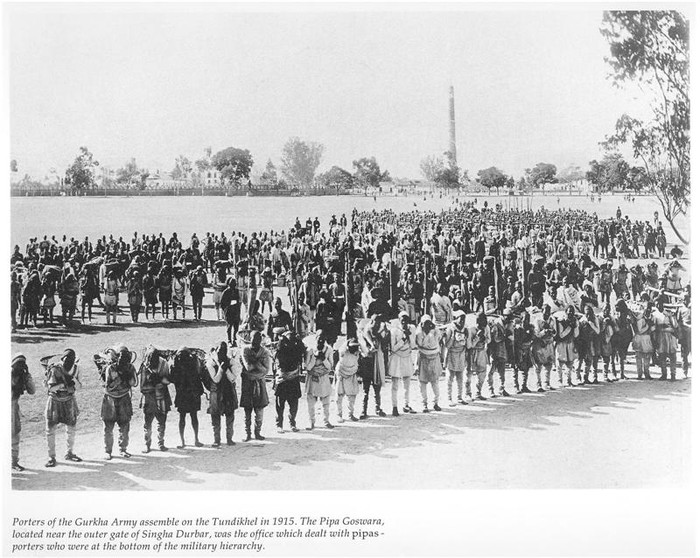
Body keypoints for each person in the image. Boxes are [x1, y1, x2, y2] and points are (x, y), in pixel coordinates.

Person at [44, 348, 82, 467]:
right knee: (50, 430)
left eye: (71, 360)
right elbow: (50, 388)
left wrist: (73, 380)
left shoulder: (76, 369)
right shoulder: (55, 369)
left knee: (71, 429)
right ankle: (51, 457)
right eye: (66, 359)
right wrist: (62, 384)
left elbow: (79, 387)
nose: (68, 362)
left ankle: (69, 453)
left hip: (69, 400)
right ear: (62, 359)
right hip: (55, 401)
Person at [100, 345, 137, 460]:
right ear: (116, 357)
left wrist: (128, 375)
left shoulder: (130, 368)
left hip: (124, 399)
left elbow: (134, 383)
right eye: (121, 357)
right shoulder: (110, 368)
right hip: (110, 399)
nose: (123, 360)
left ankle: (123, 449)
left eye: (125, 357)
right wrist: (119, 379)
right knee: (108, 426)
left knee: (125, 425)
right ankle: (108, 451)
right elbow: (108, 386)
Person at [206, 341, 239, 447]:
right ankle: (217, 439)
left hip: (228, 391)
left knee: (230, 416)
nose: (221, 353)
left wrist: (227, 370)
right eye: (220, 351)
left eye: (224, 351)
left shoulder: (231, 361)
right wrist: (221, 369)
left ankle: (229, 438)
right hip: (216, 392)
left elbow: (233, 378)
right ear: (216, 351)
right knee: (215, 416)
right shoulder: (211, 363)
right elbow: (216, 379)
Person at [139, 346, 171, 453]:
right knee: (147, 423)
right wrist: (154, 384)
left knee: (162, 421)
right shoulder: (144, 367)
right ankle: (147, 444)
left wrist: (159, 379)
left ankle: (161, 443)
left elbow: (168, 380)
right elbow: (142, 387)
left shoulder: (164, 364)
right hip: (150, 399)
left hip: (162, 397)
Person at [171, 347, 204, 448]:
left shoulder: (176, 366)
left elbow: (172, 379)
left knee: (182, 418)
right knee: (194, 417)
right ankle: (196, 439)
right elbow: (198, 379)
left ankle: (183, 441)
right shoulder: (192, 365)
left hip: (182, 395)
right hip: (192, 395)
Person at [240, 331, 271, 441]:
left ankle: (257, 432)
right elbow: (248, 367)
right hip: (248, 383)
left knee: (259, 409)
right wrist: (259, 364)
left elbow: (266, 370)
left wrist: (255, 363)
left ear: (261, 340)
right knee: (247, 409)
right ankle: (247, 433)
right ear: (250, 339)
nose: (255, 342)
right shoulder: (245, 350)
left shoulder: (265, 352)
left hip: (259, 383)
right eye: (253, 340)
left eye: (257, 340)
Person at [358, 315, 389, 418]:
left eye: (378, 323)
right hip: (367, 364)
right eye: (375, 323)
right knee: (365, 389)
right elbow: (363, 350)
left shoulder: (378, 335)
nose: (376, 325)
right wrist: (369, 350)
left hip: (376, 363)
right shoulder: (364, 334)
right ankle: (364, 410)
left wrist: (384, 335)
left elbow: (384, 347)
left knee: (377, 388)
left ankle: (378, 408)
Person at [274, 330, 305, 432]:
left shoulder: (296, 347)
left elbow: (303, 351)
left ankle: (292, 423)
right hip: (282, 378)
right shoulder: (280, 348)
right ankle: (279, 424)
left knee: (294, 403)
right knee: (280, 403)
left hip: (293, 378)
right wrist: (281, 341)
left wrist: (299, 341)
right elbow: (278, 356)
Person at [388, 311, 417, 415]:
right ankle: (394, 406)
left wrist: (409, 336)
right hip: (397, 358)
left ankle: (406, 404)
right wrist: (403, 338)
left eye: (406, 319)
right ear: (399, 319)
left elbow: (413, 346)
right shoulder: (394, 330)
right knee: (395, 385)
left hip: (407, 357)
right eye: (402, 319)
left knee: (407, 384)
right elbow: (393, 348)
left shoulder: (412, 328)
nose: (404, 322)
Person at [305, 333, 335, 430]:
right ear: (316, 339)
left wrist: (324, 359)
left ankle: (326, 421)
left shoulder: (329, 350)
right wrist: (314, 357)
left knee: (326, 401)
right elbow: (308, 367)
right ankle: (311, 421)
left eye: (322, 339)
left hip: (323, 378)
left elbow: (330, 367)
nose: (320, 341)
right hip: (312, 378)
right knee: (311, 402)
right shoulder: (310, 350)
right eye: (318, 339)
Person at [11, 354, 35, 471]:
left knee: (14, 436)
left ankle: (14, 462)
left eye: (22, 364)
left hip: (14, 409)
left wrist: (27, 376)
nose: (20, 367)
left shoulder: (23, 376)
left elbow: (32, 390)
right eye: (17, 364)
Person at [415, 315, 442, 412]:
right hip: (423, 358)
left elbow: (438, 339)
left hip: (434, 358)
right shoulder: (419, 333)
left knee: (435, 382)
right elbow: (421, 344)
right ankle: (424, 404)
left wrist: (433, 329)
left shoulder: (435, 331)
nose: (426, 325)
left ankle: (436, 403)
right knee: (422, 383)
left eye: (428, 323)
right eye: (424, 323)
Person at [443, 310, 468, 405]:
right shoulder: (450, 328)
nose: (462, 322)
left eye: (464, 320)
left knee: (460, 378)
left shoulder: (465, 329)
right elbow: (447, 345)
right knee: (450, 378)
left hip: (461, 355)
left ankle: (459, 397)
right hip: (452, 354)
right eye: (460, 320)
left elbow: (466, 343)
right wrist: (453, 337)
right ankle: (449, 398)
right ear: (456, 319)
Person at [336, 338, 361, 422]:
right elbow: (340, 348)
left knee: (352, 395)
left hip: (351, 374)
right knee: (339, 395)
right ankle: (339, 415)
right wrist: (347, 342)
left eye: (355, 347)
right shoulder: (343, 352)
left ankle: (350, 414)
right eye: (352, 347)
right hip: (342, 374)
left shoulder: (357, 353)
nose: (354, 348)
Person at [652, 299, 679, 380]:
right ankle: (664, 374)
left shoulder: (668, 313)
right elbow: (654, 328)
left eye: (659, 304)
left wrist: (671, 316)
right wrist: (654, 339)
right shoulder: (655, 315)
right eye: (656, 304)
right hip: (661, 337)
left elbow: (675, 325)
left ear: (662, 305)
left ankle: (673, 374)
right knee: (662, 356)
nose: (658, 306)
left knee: (672, 355)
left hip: (670, 337)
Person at [532, 305, 556, 391]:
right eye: (545, 312)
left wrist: (551, 332)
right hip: (540, 344)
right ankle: (538, 384)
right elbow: (536, 334)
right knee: (538, 365)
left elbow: (555, 332)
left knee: (549, 364)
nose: (547, 314)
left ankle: (547, 383)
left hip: (549, 344)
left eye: (548, 312)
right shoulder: (537, 320)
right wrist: (544, 331)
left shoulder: (552, 320)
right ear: (542, 311)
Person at [556, 306, 580, 387]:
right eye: (569, 311)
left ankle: (568, 380)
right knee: (560, 363)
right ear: (566, 312)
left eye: (572, 311)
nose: (570, 313)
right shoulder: (561, 321)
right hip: (561, 344)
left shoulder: (574, 321)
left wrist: (575, 326)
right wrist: (569, 327)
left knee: (570, 363)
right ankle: (559, 380)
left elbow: (576, 335)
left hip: (570, 343)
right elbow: (561, 335)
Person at [632, 301, 655, 380]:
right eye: (647, 309)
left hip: (647, 339)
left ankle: (647, 373)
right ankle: (639, 374)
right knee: (639, 357)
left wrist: (652, 328)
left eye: (649, 309)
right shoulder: (641, 320)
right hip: (640, 339)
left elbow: (652, 329)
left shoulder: (650, 318)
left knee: (647, 357)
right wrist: (648, 326)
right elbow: (640, 331)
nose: (648, 311)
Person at [677, 292, 691, 378]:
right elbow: (678, 321)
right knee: (684, 355)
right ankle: (684, 372)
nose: (685, 301)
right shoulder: (680, 309)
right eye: (684, 299)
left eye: (687, 299)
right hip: (684, 334)